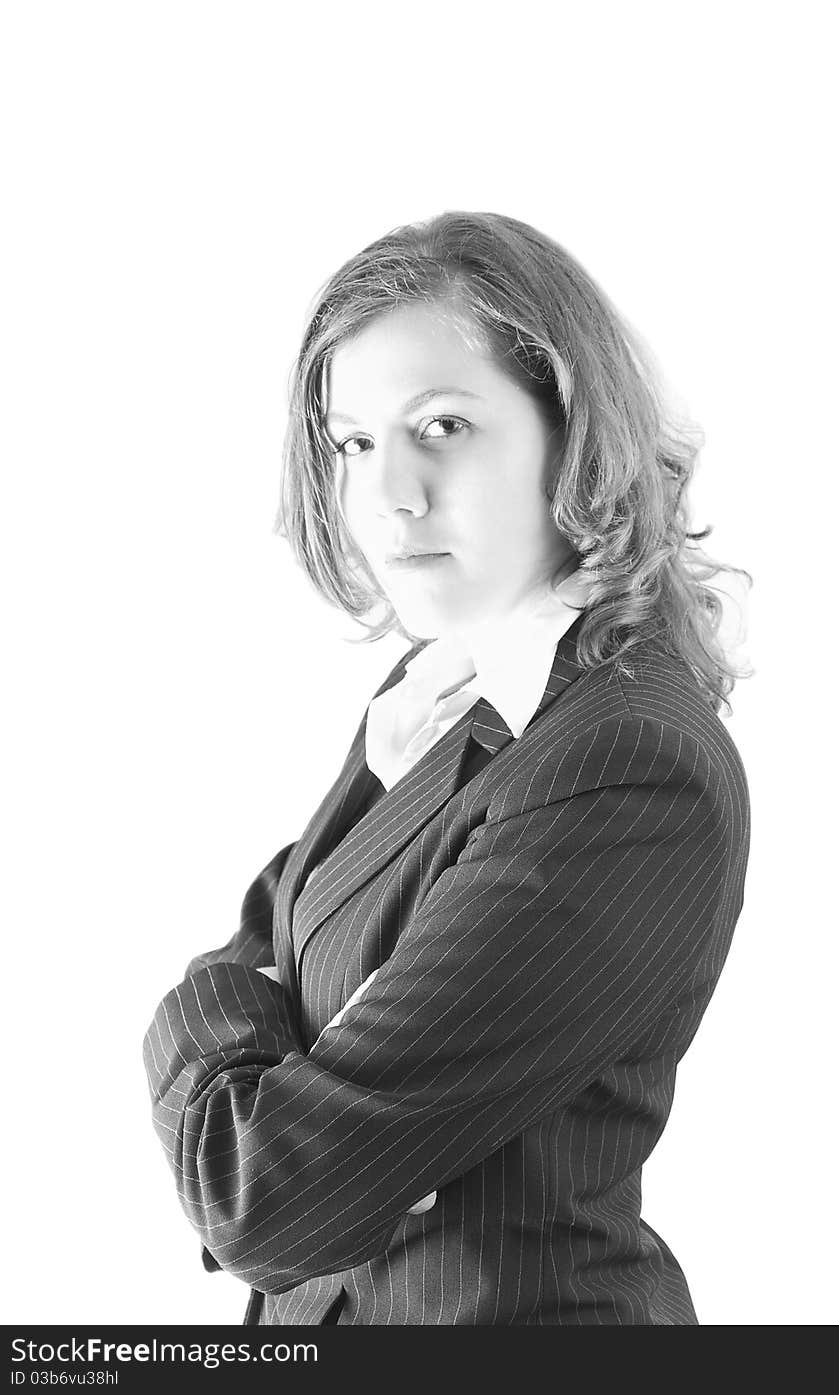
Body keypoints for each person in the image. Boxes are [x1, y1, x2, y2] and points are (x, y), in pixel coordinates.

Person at [142, 210, 752, 1326]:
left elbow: (273, 1196)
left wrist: (197, 1012)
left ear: (569, 433)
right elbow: (279, 928)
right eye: (354, 442)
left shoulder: (625, 765)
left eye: (443, 427)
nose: (390, 495)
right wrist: (263, 1023)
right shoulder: (438, 687)